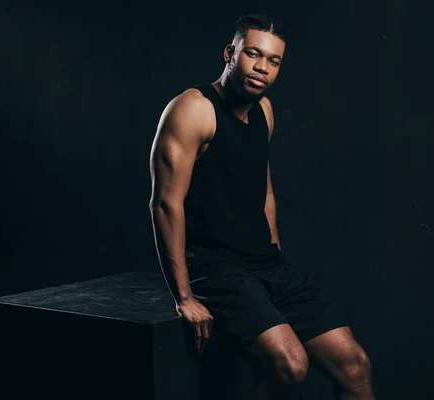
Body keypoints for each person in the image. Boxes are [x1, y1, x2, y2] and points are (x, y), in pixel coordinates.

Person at [149, 14, 376, 400]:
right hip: (216, 269)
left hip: (265, 265)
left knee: (355, 366)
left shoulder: (264, 112)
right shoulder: (193, 109)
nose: (262, 68)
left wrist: (274, 253)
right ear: (230, 52)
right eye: (253, 54)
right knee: (291, 367)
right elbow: (166, 203)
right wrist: (184, 297)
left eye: (273, 61)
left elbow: (264, 189)